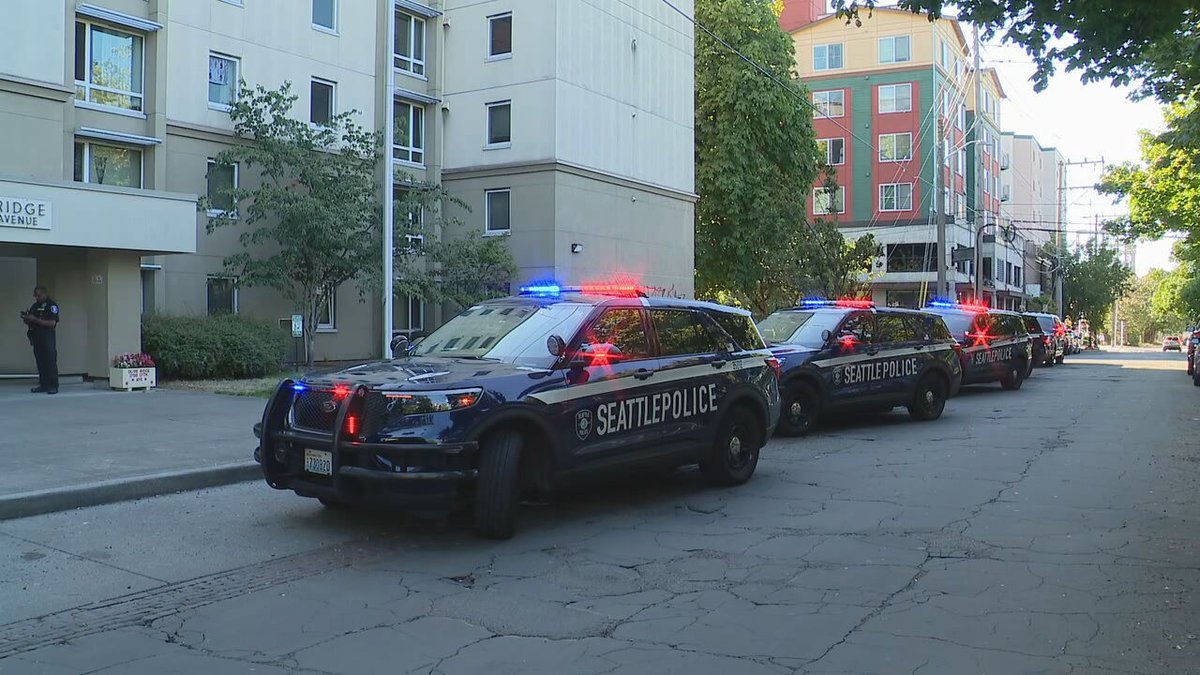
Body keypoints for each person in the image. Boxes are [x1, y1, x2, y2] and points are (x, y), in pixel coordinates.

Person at [21, 285, 59, 394]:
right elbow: (31, 320)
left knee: (50, 361)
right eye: (35, 296)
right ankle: (44, 384)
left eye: (38, 295)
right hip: (37, 336)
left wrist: (35, 319)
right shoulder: (35, 306)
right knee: (40, 361)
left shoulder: (52, 305)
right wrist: (27, 318)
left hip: (47, 336)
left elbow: (52, 323)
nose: (37, 298)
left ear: (44, 294)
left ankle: (53, 386)